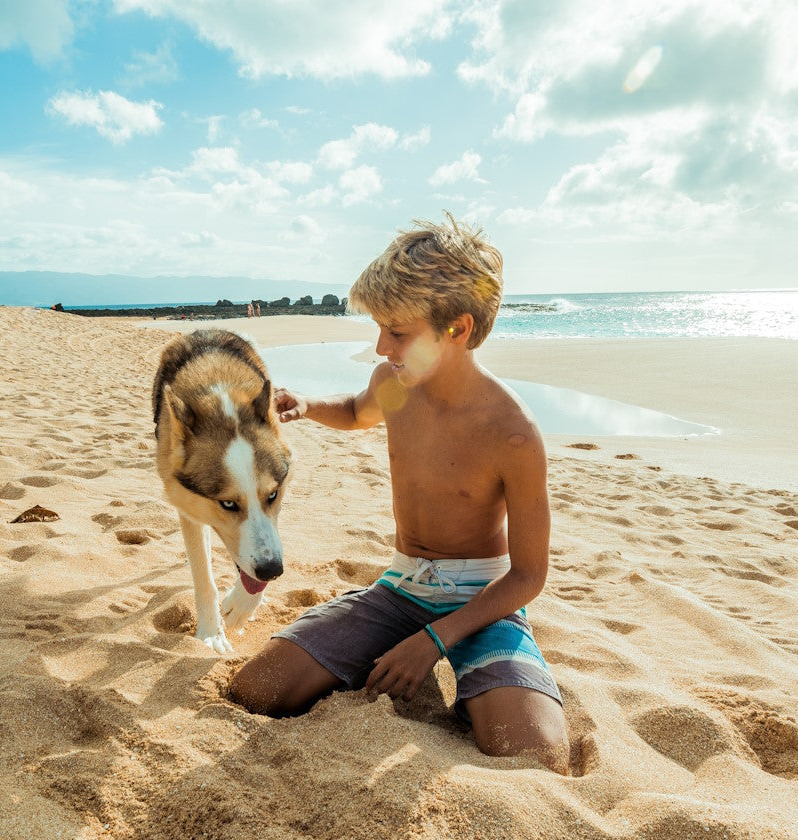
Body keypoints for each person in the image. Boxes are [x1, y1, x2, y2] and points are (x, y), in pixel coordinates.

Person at [229, 213, 568, 772]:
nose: (382, 346)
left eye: (399, 332)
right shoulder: (394, 384)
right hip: (402, 586)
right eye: (380, 328)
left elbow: (529, 576)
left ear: (456, 329)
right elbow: (360, 412)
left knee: (534, 751)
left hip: (480, 603)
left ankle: (477, 677)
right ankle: (369, 650)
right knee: (258, 690)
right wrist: (310, 405)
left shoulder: (512, 432)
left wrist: (434, 640)